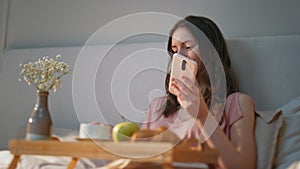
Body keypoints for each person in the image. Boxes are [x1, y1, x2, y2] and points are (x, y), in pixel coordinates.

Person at [142, 16, 256, 169]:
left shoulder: (236, 104)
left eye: (188, 47)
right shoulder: (157, 107)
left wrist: (202, 115)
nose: (178, 56)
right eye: (174, 50)